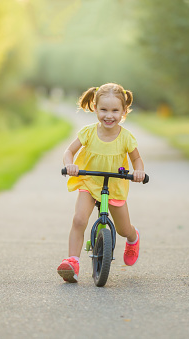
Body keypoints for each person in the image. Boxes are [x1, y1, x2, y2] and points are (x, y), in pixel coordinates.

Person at [58, 83, 145, 283]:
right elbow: (69, 151)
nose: (109, 115)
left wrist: (139, 170)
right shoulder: (88, 133)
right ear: (95, 108)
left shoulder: (126, 137)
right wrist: (70, 165)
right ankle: (72, 261)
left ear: (124, 111)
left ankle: (133, 238)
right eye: (103, 109)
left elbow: (137, 159)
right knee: (79, 219)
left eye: (115, 110)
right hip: (89, 182)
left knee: (123, 229)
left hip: (115, 185)